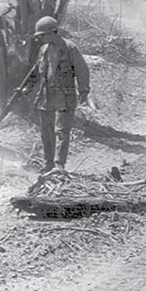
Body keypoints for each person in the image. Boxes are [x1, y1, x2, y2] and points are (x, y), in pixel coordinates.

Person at [27, 16, 90, 173]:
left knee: (62, 131)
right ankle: (48, 163)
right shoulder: (44, 50)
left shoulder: (69, 48)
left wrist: (84, 91)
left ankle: (59, 164)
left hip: (65, 96)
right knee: (46, 130)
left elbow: (82, 71)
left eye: (43, 35)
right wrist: (28, 87)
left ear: (53, 32)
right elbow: (36, 72)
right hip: (46, 95)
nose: (40, 38)